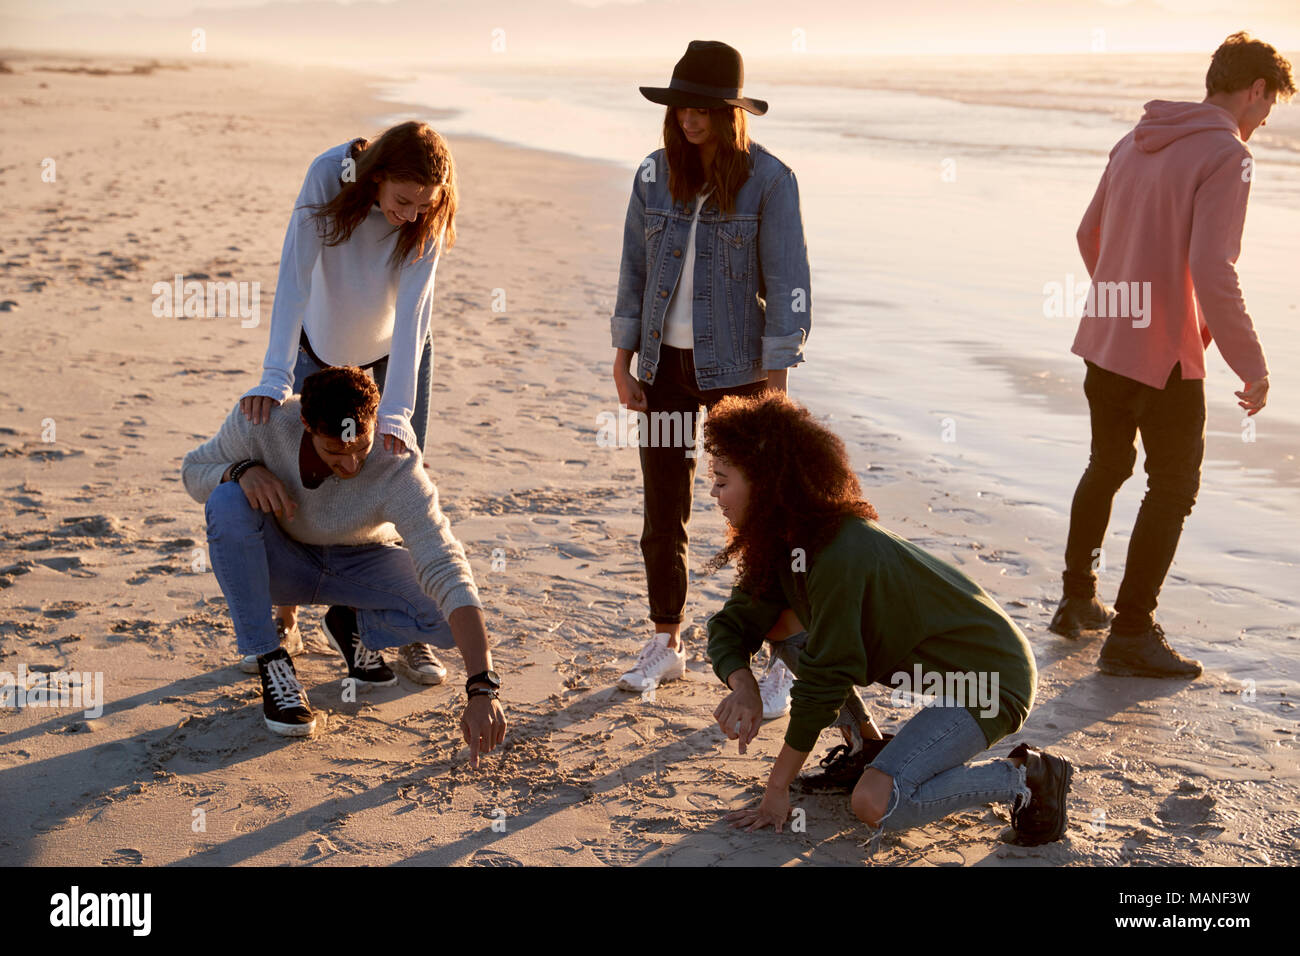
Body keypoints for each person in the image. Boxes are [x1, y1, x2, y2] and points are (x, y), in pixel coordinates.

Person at [703, 392, 1071, 848]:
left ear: (766, 483)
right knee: (782, 623)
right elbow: (730, 626)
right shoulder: (783, 542)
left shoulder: (840, 553)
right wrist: (744, 686)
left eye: (722, 481)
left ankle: (1026, 777)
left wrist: (775, 790)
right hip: (955, 676)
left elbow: (824, 681)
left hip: (992, 682)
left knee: (875, 804)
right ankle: (866, 748)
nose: (714, 495)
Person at [1050, 32, 1295, 677]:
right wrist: (1253, 365)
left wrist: (1123, 298)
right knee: (1174, 487)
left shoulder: (1135, 139)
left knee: (1107, 464)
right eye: (1271, 106)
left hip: (1104, 340)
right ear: (1257, 90)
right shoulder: (1227, 155)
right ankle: (1131, 632)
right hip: (1163, 358)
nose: (1268, 121)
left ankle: (1077, 599)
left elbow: (1088, 233)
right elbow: (1213, 267)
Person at [610, 40, 816, 712]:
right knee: (661, 507)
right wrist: (623, 357)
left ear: (731, 112)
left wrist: (778, 383)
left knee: (762, 520)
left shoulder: (770, 180)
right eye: (679, 108)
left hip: (741, 373)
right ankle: (665, 643)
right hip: (664, 370)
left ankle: (782, 658)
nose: (688, 120)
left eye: (702, 108)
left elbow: (789, 284)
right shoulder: (651, 175)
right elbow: (634, 273)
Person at [181, 365, 506, 757]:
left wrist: (481, 686)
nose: (351, 465)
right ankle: (271, 658)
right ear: (306, 424)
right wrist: (240, 470)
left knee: (448, 619)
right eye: (335, 450)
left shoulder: (397, 459)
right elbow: (193, 471)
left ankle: (352, 620)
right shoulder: (264, 421)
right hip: (283, 565)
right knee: (227, 499)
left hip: (360, 567)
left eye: (360, 447)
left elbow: (445, 562)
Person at [237, 121, 457, 684]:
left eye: (422, 205)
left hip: (394, 355)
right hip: (319, 352)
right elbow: (294, 279)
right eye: (402, 200)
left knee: (400, 480)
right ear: (376, 176)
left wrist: (400, 413)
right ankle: (285, 615)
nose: (411, 214)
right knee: (309, 478)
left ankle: (403, 630)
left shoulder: (429, 211)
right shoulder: (326, 177)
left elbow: (412, 317)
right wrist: (274, 376)